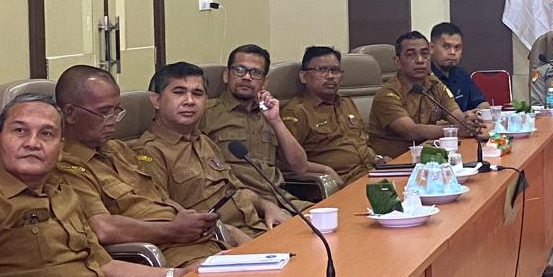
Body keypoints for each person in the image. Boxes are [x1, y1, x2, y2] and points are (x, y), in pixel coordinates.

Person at [0, 95, 188, 277]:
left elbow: (105, 266)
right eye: (20, 131)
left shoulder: (63, 192)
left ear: (60, 150)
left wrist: (177, 275)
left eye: (46, 134)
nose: (32, 143)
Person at [54, 65, 222, 268]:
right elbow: (103, 228)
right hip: (164, 255)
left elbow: (160, 198)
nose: (113, 121)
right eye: (104, 112)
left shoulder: (118, 149)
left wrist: (191, 219)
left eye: (117, 110)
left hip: (199, 243)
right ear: (70, 113)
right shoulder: (66, 165)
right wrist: (174, 230)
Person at [138, 63, 288, 244]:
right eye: (179, 92)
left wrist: (268, 206)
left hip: (255, 227)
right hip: (214, 242)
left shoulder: (204, 141)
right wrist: (226, 231)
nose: (189, 101)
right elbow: (165, 215)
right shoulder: (149, 152)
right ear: (156, 100)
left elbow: (237, 190)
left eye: (197, 94)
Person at [202, 44, 321, 203]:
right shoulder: (206, 113)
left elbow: (300, 167)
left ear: (264, 82)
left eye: (256, 73)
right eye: (239, 70)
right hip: (242, 205)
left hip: (283, 200)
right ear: (226, 76)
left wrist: (276, 121)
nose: (247, 77)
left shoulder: (270, 114)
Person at [367, 31, 487, 158]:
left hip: (430, 157)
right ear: (397, 61)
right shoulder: (387, 94)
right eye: (411, 55)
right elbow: (411, 131)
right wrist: (456, 129)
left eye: (425, 54)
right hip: (396, 162)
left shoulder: (435, 84)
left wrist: (468, 122)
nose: (420, 60)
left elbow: (456, 116)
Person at [281, 45, 380, 186]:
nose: (330, 76)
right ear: (303, 77)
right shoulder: (297, 112)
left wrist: (377, 159)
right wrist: (325, 170)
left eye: (335, 70)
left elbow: (362, 141)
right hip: (340, 183)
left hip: (371, 174)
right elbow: (287, 163)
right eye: (322, 70)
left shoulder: (346, 102)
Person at [429, 22, 490, 112]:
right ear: (431, 48)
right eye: (446, 46)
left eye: (457, 47)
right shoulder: (424, 77)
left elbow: (482, 104)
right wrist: (463, 117)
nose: (452, 52)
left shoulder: (461, 75)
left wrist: (479, 112)